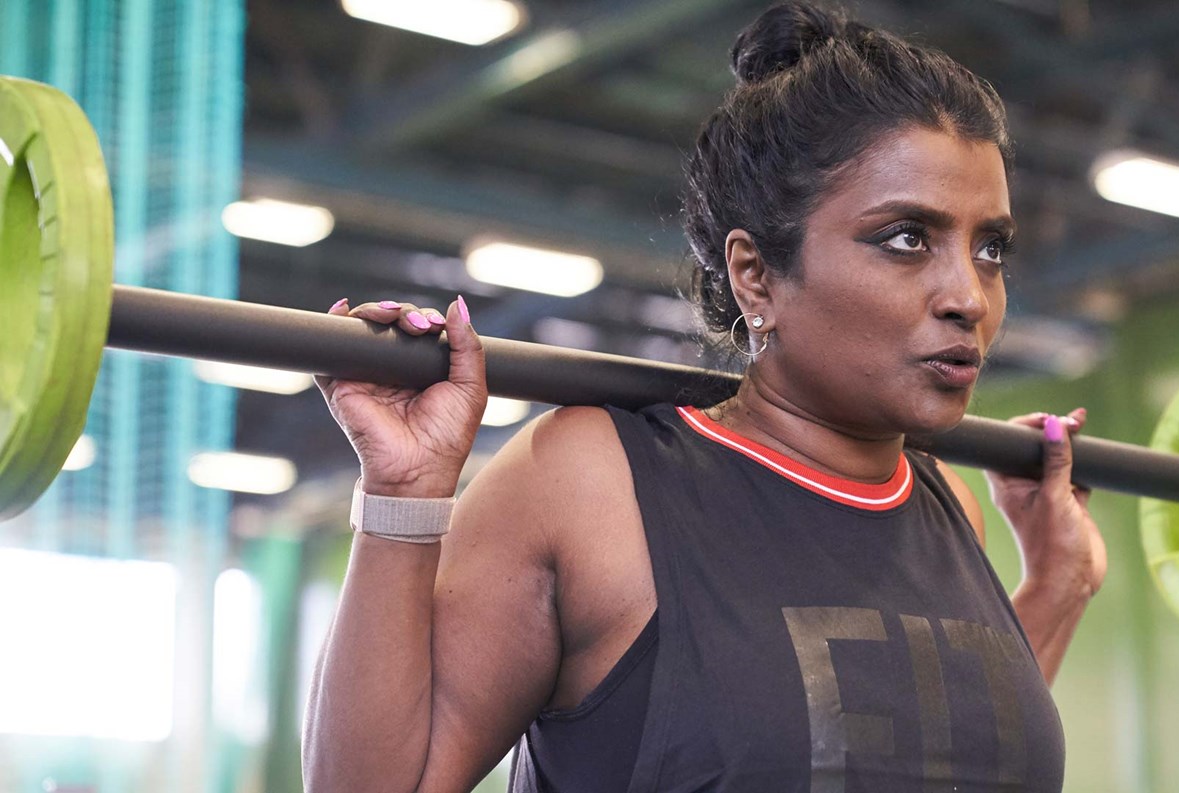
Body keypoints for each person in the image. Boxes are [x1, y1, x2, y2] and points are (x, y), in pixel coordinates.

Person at [301, 2, 1105, 791]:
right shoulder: (591, 482)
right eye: (907, 238)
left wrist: (1056, 583)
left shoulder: (945, 506)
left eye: (990, 247)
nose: (969, 293)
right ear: (756, 274)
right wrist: (403, 496)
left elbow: (922, 758)